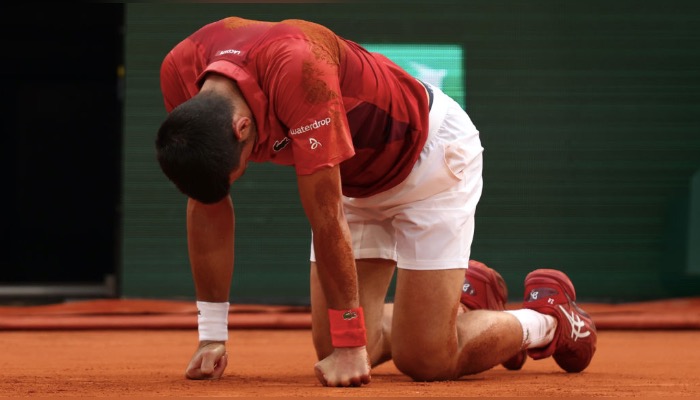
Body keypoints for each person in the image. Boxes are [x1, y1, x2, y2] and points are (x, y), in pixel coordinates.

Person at [155, 16, 597, 387]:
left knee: (426, 360)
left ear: (241, 129)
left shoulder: (299, 67)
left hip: (429, 163)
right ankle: (463, 300)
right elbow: (207, 204)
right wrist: (212, 335)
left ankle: (549, 320)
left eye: (243, 166)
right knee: (333, 344)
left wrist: (353, 347)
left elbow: (326, 218)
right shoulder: (181, 70)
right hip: (352, 181)